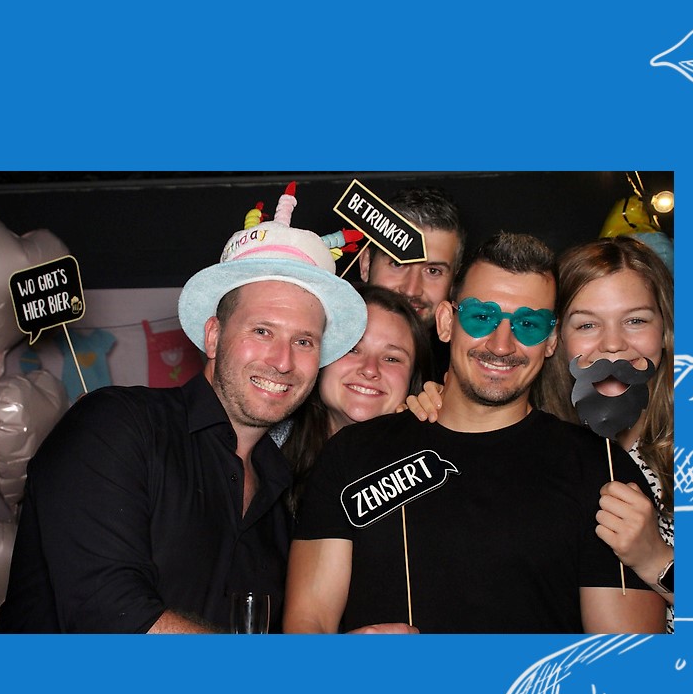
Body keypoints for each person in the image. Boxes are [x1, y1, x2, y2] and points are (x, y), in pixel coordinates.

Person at [0, 196, 368, 632]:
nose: (283, 361)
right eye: (262, 331)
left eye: (304, 342)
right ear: (213, 337)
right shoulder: (117, 426)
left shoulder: (285, 492)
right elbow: (110, 617)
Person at [284, 232, 667, 634]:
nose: (501, 345)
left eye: (528, 325)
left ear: (551, 340)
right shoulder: (351, 454)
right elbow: (308, 626)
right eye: (482, 317)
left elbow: (626, 658)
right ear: (447, 322)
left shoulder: (602, 472)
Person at [539, 238, 676, 606]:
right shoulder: (539, 446)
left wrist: (655, 558)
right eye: (587, 325)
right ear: (556, 339)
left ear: (665, 330)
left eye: (635, 320)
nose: (613, 344)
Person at [281, 286, 430, 513]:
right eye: (352, 349)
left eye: (392, 358)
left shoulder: (429, 474)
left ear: (413, 379)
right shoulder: (264, 456)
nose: (370, 369)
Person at [356, 186, 463, 381]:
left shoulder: (462, 375)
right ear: (365, 265)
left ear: (454, 282)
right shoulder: (321, 354)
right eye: (398, 264)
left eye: (433, 271)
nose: (412, 290)